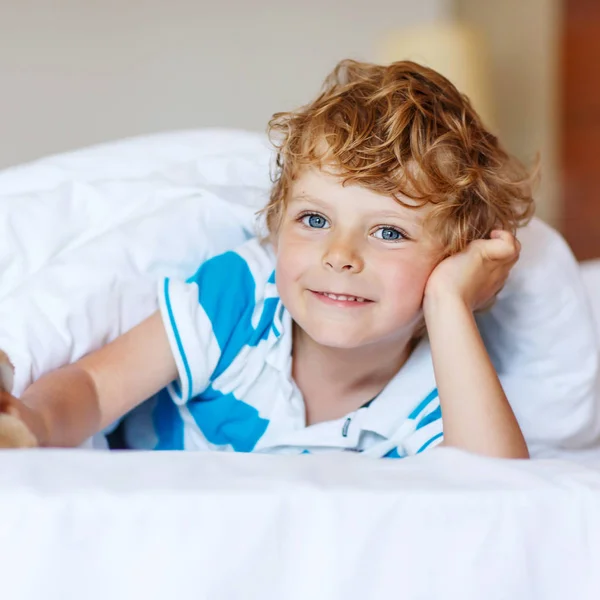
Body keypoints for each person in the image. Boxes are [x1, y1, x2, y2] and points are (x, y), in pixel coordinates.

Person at [0, 59, 535, 458]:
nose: (340, 255)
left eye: (389, 231)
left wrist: (448, 301)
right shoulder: (241, 296)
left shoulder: (440, 387)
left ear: (456, 259)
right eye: (315, 220)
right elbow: (93, 389)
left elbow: (499, 497)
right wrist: (32, 423)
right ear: (278, 226)